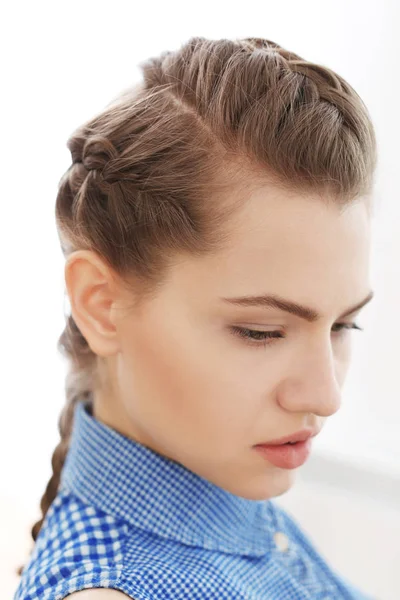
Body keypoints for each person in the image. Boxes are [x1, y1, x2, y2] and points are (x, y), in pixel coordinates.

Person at [14, 36, 378, 599]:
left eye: (341, 326)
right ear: (100, 305)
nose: (325, 396)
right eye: (261, 332)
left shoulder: (227, 490)